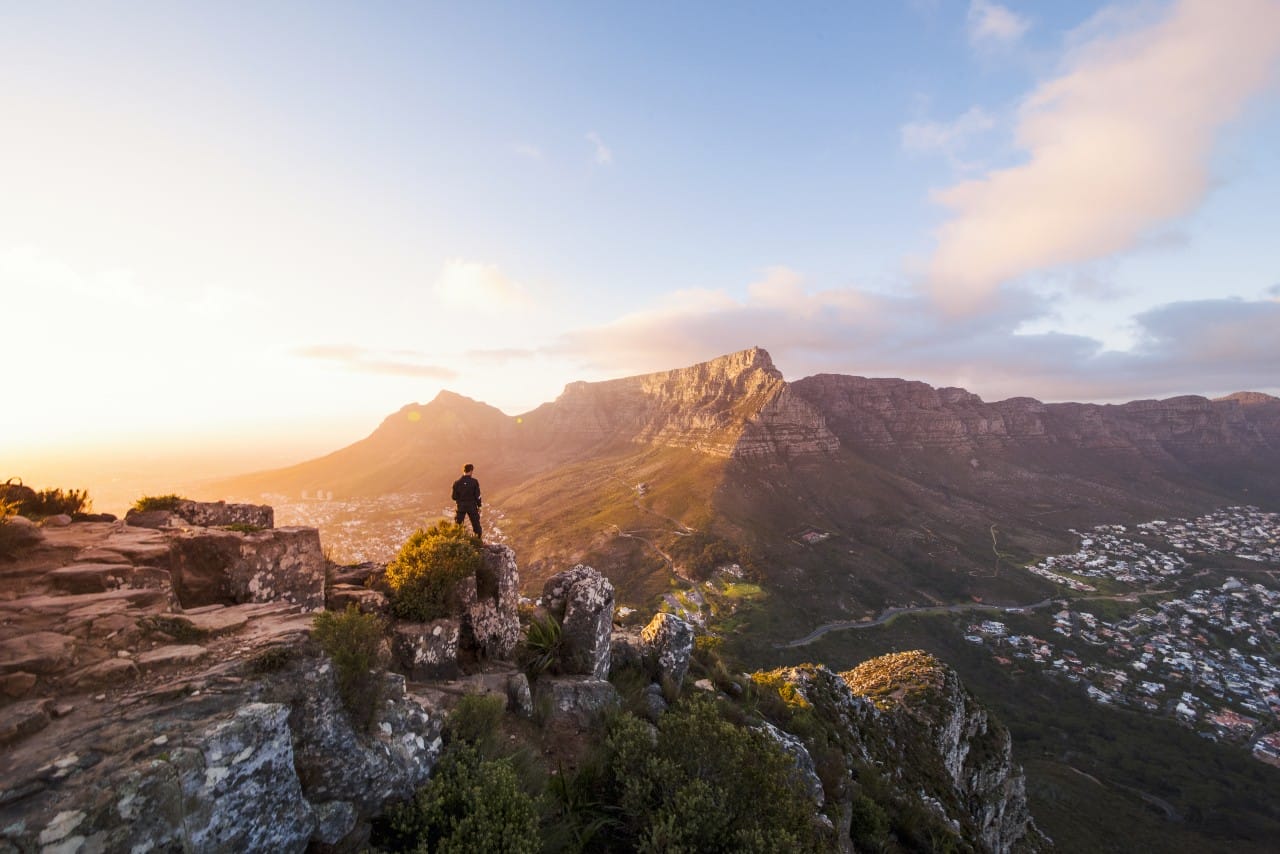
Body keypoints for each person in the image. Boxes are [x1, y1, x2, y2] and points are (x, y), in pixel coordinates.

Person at [451, 463, 482, 538]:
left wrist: (460, 500)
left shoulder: (457, 483)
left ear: (463, 471)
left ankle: (458, 540)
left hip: (461, 506)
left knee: (458, 524)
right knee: (476, 524)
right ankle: (477, 540)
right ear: (471, 471)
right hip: (472, 506)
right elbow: (477, 496)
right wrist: (479, 506)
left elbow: (454, 497)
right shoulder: (474, 482)